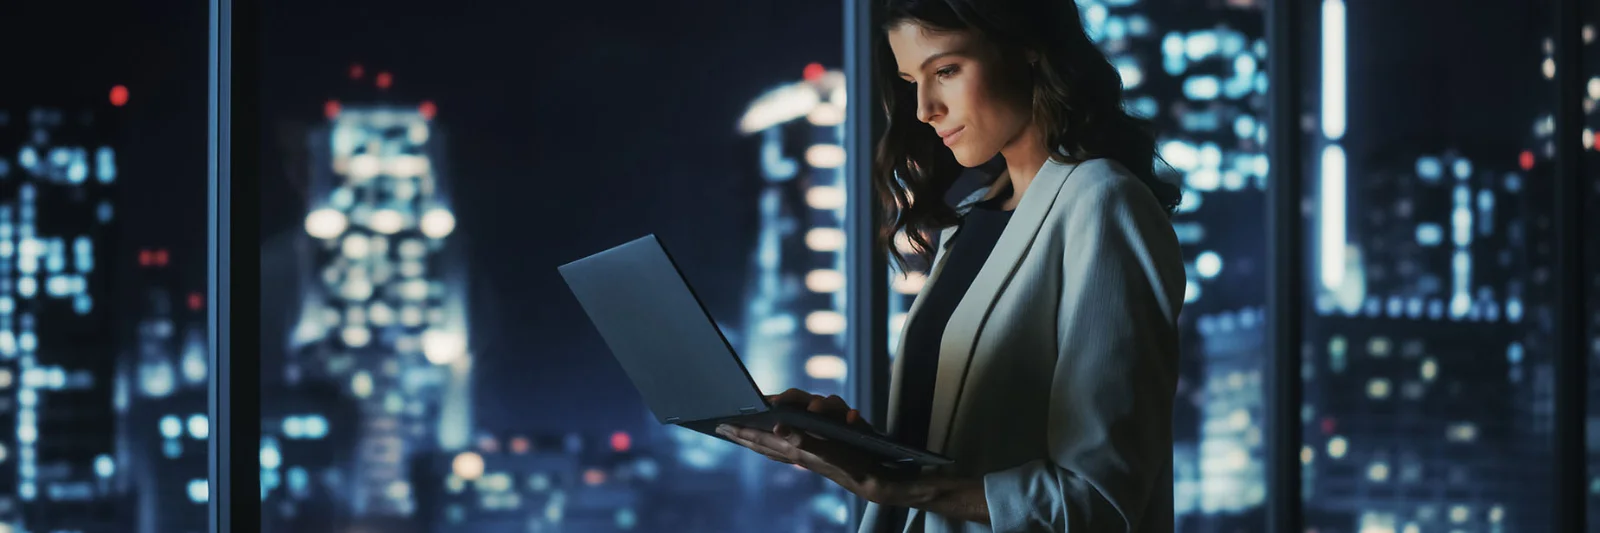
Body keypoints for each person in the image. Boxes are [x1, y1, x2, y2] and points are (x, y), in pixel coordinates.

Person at [716, 0, 1186, 531]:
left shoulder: (1103, 202)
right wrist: (856, 449)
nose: (923, 109)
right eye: (909, 80)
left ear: (1028, 49)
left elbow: (1100, 499)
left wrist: (899, 485)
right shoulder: (969, 221)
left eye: (945, 71)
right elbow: (969, 449)